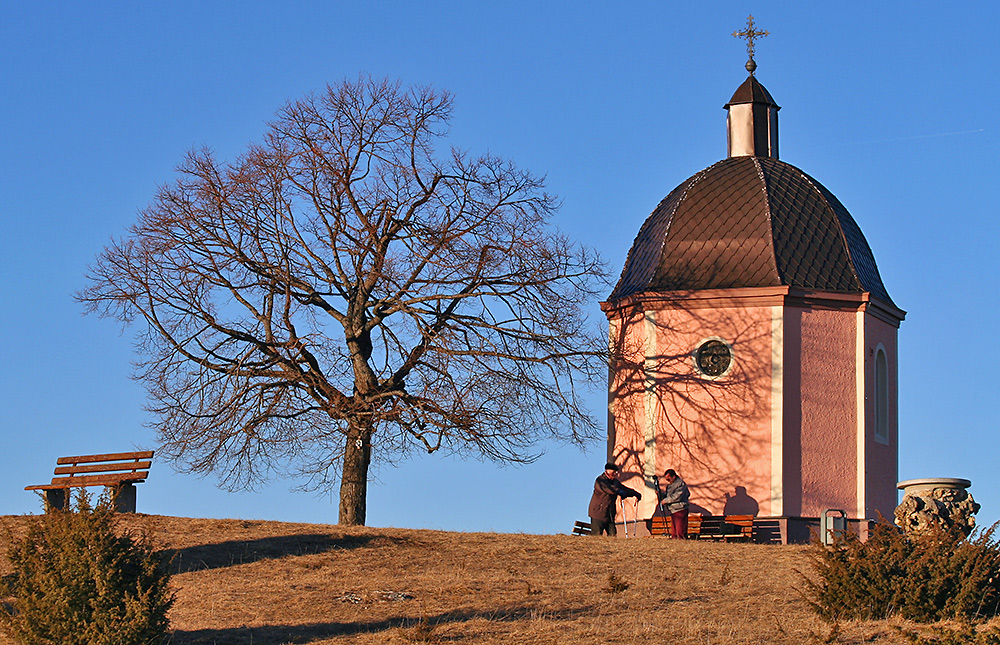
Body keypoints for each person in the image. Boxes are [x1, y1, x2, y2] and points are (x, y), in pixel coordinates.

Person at [588, 462, 641, 536]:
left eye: (616, 472)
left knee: (612, 534)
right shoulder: (600, 481)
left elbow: (624, 489)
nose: (615, 474)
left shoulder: (615, 482)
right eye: (614, 472)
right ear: (608, 471)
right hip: (598, 513)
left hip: (609, 514)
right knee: (597, 535)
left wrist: (635, 493)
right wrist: (619, 491)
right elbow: (610, 489)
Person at [658, 469, 690, 539]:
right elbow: (668, 496)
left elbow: (676, 496)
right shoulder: (670, 486)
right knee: (674, 533)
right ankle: (675, 545)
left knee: (680, 532)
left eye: (669, 479)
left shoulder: (681, 484)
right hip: (673, 510)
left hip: (680, 510)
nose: (668, 481)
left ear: (674, 477)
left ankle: (682, 545)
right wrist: (660, 493)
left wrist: (665, 501)